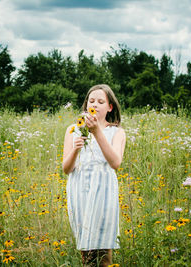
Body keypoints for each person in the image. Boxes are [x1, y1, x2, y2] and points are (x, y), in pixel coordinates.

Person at [62, 84, 126, 266]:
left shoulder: (117, 132)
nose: (95, 105)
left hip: (104, 193)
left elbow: (115, 163)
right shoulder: (73, 130)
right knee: (87, 255)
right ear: (86, 105)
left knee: (104, 254)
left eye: (100, 101)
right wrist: (75, 149)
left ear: (110, 107)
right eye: (91, 101)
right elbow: (67, 169)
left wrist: (97, 131)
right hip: (79, 191)